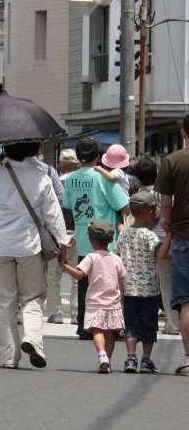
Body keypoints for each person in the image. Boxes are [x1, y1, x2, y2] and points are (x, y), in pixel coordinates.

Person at [0, 141, 69, 369]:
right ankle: (33, 338)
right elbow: (53, 216)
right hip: (29, 247)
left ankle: (9, 357)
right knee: (33, 297)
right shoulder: (42, 177)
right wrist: (63, 243)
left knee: (3, 301)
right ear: (35, 150)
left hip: (0, 246)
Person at [62, 137, 128, 340]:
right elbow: (122, 204)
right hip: (106, 241)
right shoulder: (103, 177)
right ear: (98, 156)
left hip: (84, 237)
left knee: (85, 284)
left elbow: (68, 206)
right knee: (109, 286)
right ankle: (111, 327)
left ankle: (84, 327)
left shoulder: (70, 178)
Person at [61, 219, 126, 374]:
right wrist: (122, 298)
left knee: (97, 330)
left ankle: (101, 355)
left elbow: (79, 274)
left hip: (95, 303)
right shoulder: (116, 259)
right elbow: (122, 280)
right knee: (110, 333)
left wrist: (65, 265)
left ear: (91, 240)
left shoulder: (91, 257)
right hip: (113, 303)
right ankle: (108, 360)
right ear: (111, 239)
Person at [116, 192, 171, 373]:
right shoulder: (149, 235)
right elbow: (161, 254)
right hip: (149, 290)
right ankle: (146, 360)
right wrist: (169, 235)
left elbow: (117, 256)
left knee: (131, 325)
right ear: (150, 212)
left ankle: (131, 358)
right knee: (149, 326)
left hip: (129, 289)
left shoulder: (123, 234)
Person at [153, 114, 189, 375]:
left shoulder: (173, 160)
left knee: (186, 302)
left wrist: (168, 222)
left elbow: (165, 203)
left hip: (183, 236)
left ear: (183, 133)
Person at [134, 157, 180, 334]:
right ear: (156, 172)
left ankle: (173, 324)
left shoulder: (138, 196)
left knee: (165, 284)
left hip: (154, 243)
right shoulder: (165, 191)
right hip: (173, 237)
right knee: (181, 281)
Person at [46, 149, 80, 324]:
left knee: (53, 274)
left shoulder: (53, 183)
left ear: (59, 166)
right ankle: (76, 312)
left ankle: (55, 312)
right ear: (76, 165)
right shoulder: (82, 182)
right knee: (77, 274)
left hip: (56, 233)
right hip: (78, 232)